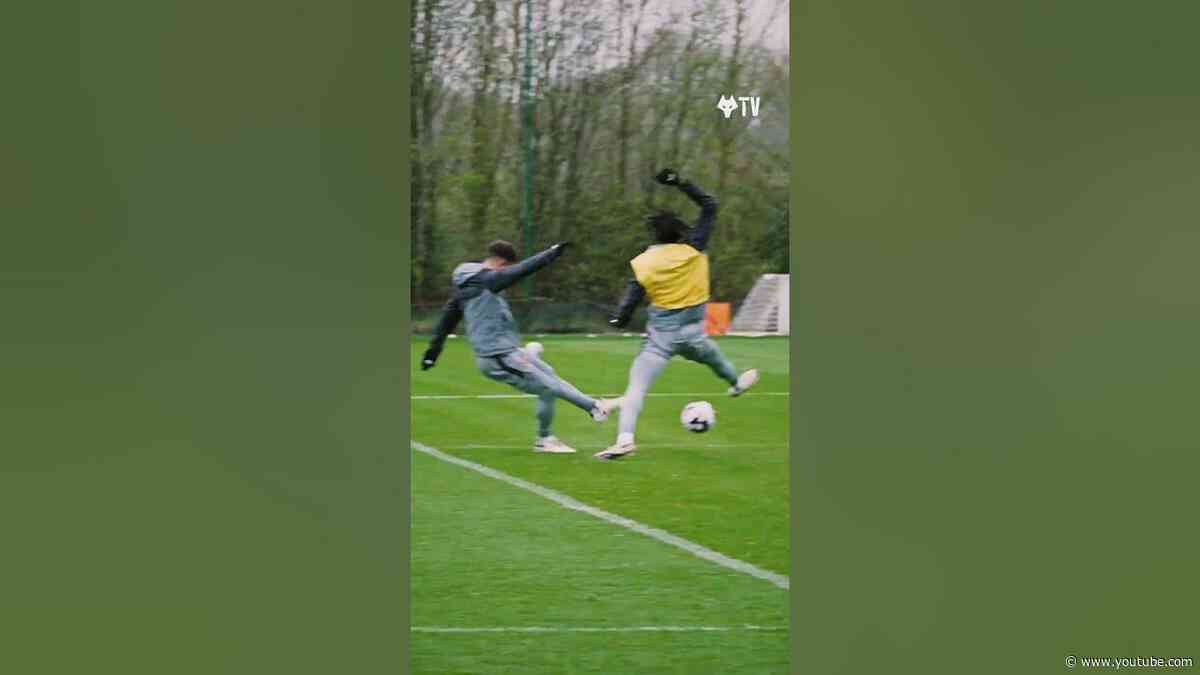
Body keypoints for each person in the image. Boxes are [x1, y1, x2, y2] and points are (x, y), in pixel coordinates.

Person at [596, 169, 759, 460]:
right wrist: (680, 182)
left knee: (637, 388)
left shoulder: (644, 262)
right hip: (694, 333)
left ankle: (625, 439)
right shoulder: (694, 248)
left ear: (654, 234)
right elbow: (710, 205)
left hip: (661, 337)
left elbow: (629, 303)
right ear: (681, 231)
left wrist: (617, 319)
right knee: (715, 359)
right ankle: (735, 384)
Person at [420, 240, 621, 454]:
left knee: (550, 376)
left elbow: (444, 324)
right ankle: (546, 439)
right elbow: (521, 271)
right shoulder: (487, 279)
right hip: (496, 357)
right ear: (501, 263)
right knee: (547, 388)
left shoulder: (467, 287)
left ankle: (595, 407)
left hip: (508, 351)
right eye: (506, 267)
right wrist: (551, 254)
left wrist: (432, 354)